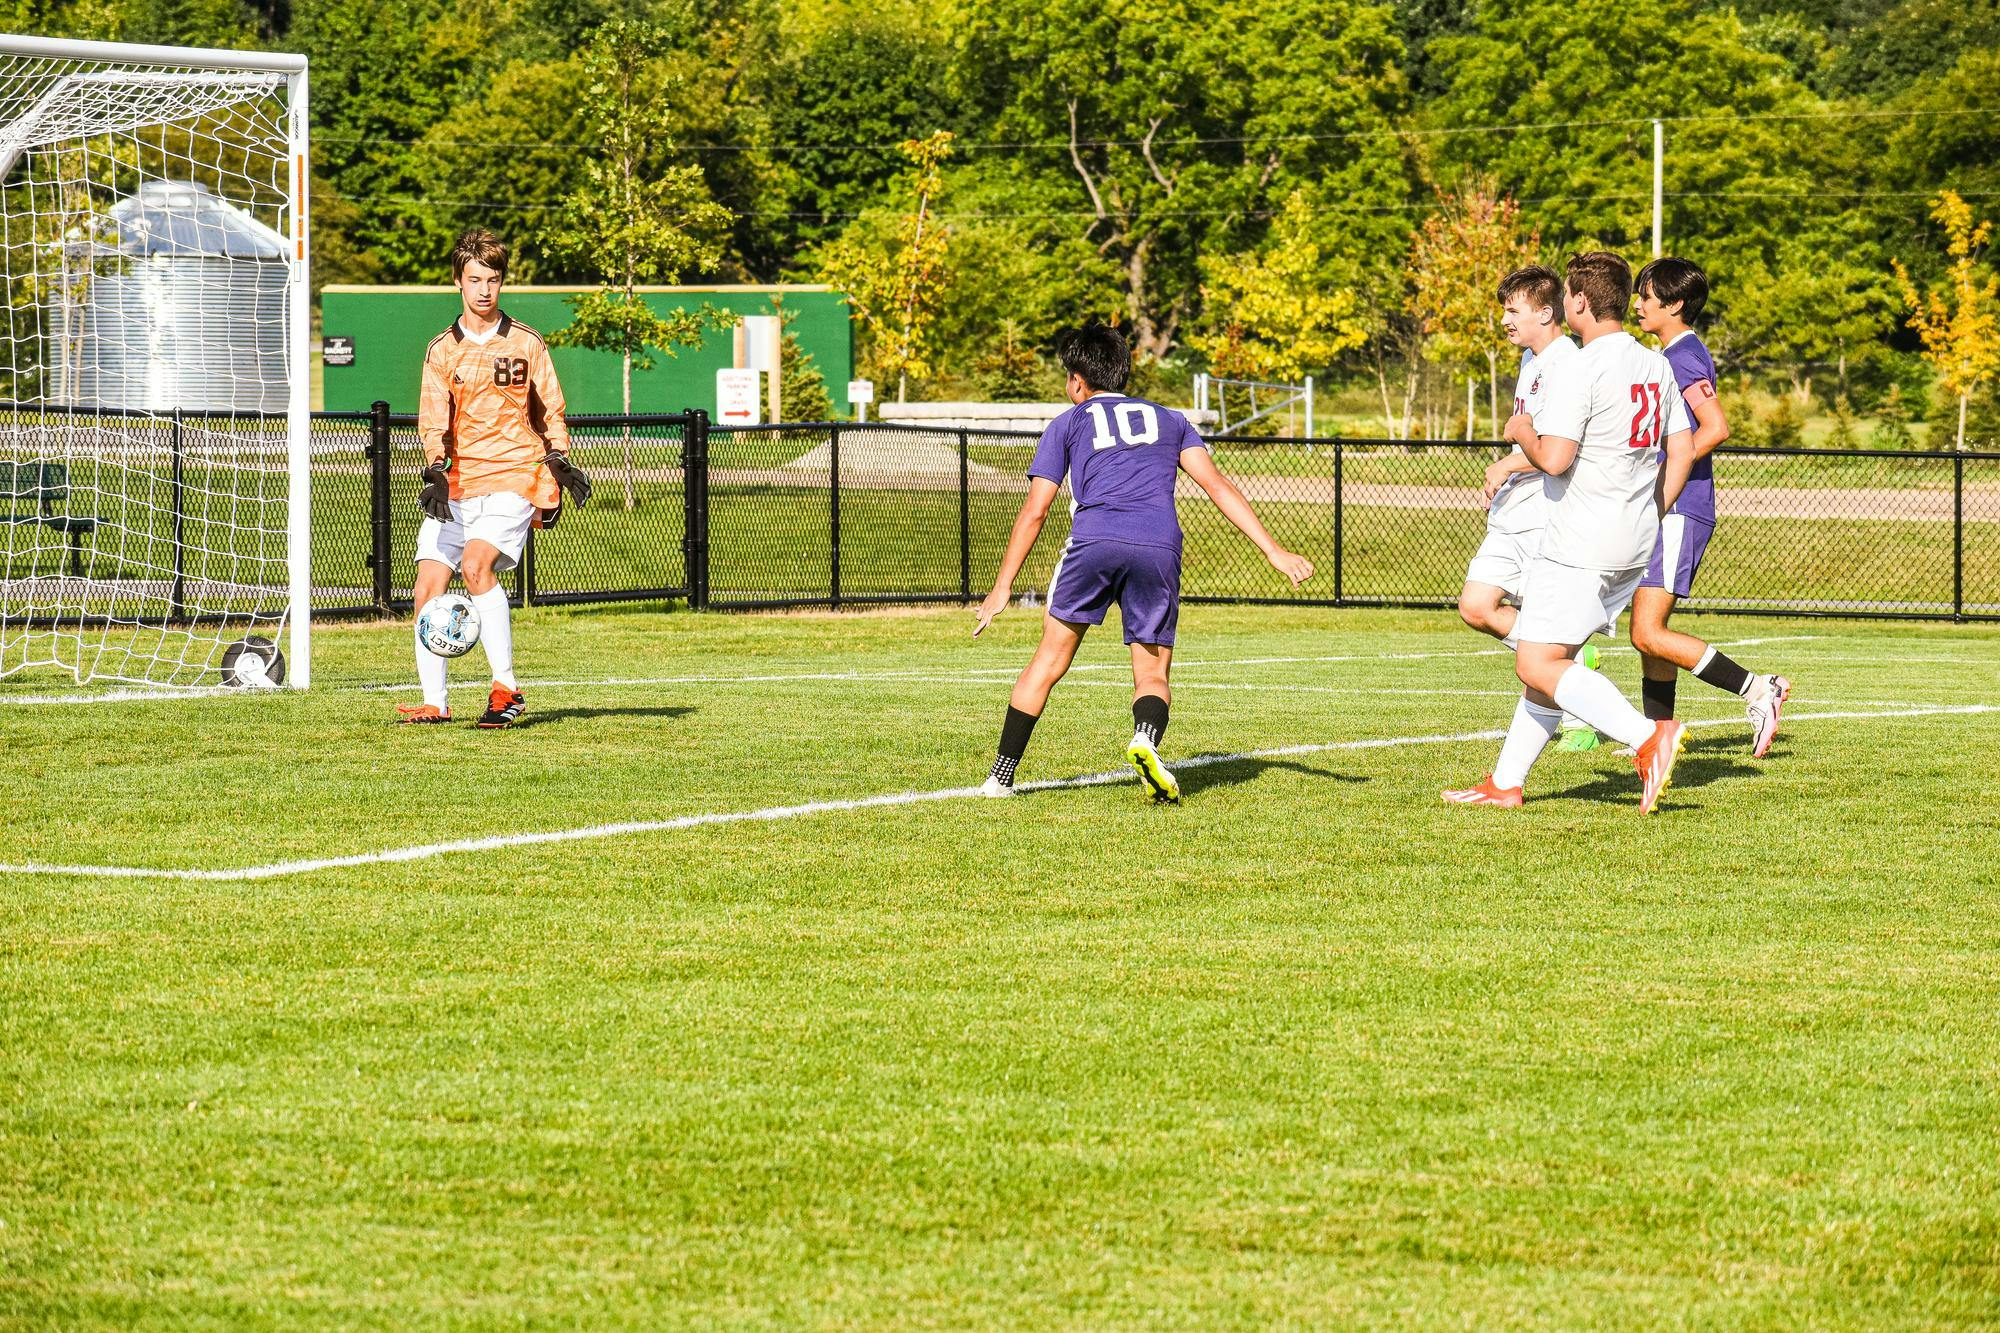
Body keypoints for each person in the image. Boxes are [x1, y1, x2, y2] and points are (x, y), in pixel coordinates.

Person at [972, 323, 1314, 802]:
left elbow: (1037, 508)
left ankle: (1000, 777)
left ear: (1076, 380)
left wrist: (1003, 584)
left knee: (1049, 661)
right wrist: (1273, 549)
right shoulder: (1171, 419)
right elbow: (1216, 485)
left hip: (1094, 541)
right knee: (1152, 674)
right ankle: (1145, 739)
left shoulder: (1068, 423)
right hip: (1158, 545)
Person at [1444, 251, 1696, 813]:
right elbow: (1682, 448)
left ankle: (1647, 736)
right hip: (1632, 540)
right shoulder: (1656, 364)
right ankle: (1507, 783)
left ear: (1577, 303)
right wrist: (1652, 509)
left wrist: (1521, 432)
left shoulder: (1580, 366)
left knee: (1535, 663)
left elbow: (1554, 459)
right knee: (1547, 662)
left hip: (1579, 538)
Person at [398, 228, 591, 728]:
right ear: (458, 283)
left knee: (475, 567)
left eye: (494, 280)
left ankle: (507, 689)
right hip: (461, 484)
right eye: (475, 279)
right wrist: (435, 471)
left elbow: (551, 407)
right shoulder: (442, 350)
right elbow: (433, 416)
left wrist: (560, 460)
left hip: (514, 476)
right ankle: (435, 702)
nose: (485, 290)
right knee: (426, 588)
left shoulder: (527, 343)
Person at [1630, 257, 1791, 757]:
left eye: (1646, 295)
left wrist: (1666, 473)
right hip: (1665, 507)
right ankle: (1660, 734)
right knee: (1645, 633)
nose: (1637, 304)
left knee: (1647, 630)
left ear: (1674, 305)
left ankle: (1759, 689)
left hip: (1681, 507)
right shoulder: (1669, 354)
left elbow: (1715, 427)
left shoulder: (1683, 356)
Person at [1459, 263, 1596, 750]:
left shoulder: (1567, 364)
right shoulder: (1530, 362)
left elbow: (1562, 451)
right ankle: (1575, 669)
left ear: (1545, 312)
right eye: (1503, 310)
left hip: (1547, 515)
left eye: (1513, 310)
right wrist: (1511, 462)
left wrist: (1510, 463)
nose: (1504, 320)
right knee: (1475, 606)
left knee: (1542, 629)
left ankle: (1576, 714)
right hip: (1513, 515)